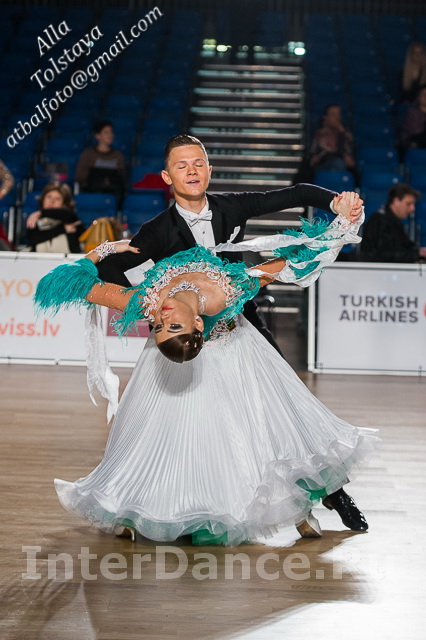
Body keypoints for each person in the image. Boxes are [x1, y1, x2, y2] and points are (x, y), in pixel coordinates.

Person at [35, 192, 377, 545]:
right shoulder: (226, 292)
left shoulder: (146, 303)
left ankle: (297, 509)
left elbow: (68, 281)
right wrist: (343, 223)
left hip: (234, 351)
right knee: (192, 440)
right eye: (171, 326)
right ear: (196, 323)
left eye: (160, 327)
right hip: (218, 354)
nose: (162, 318)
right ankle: (145, 509)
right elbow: (293, 260)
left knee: (262, 429)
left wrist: (104, 250)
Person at [96, 134, 363, 356]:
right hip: (187, 329)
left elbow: (297, 193)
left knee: (277, 377)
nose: (192, 171)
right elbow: (109, 267)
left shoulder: (232, 206)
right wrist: (146, 306)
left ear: (209, 171)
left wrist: (335, 203)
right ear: (167, 177)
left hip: (239, 316)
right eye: (182, 166)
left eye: (198, 164)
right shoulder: (156, 230)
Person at [359, 183, 426, 262]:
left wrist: (418, 252)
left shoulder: (392, 220)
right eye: (408, 204)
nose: (412, 208)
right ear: (396, 201)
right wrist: (417, 253)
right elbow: (384, 255)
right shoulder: (380, 221)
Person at [75, 120, 126, 203]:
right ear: (98, 136)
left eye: (111, 132)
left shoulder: (118, 155)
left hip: (112, 194)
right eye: (106, 132)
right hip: (91, 191)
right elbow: (79, 176)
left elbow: (121, 177)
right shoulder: (88, 153)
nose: (110, 135)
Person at [25, 182, 84, 253]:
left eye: (58, 199)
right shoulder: (35, 220)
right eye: (49, 197)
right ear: (43, 199)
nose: (52, 201)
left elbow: (66, 214)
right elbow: (34, 239)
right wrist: (63, 229)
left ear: (64, 203)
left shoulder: (70, 219)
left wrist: (41, 213)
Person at [308, 105, 356, 175]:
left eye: (338, 114)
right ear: (326, 117)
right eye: (333, 114)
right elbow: (313, 157)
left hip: (343, 165)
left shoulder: (345, 133)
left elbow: (349, 151)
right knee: (337, 163)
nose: (336, 117)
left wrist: (341, 131)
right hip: (323, 164)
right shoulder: (319, 133)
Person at [400, 85, 426, 151]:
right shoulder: (413, 112)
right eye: (423, 94)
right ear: (418, 97)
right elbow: (416, 132)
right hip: (416, 143)